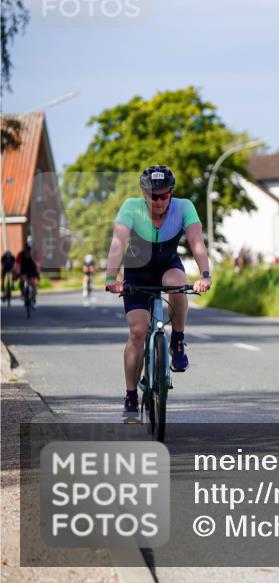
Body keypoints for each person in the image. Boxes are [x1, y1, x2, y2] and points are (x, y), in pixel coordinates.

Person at [104, 166, 212, 419]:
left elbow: (196, 242)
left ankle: (177, 340)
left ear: (171, 193)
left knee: (177, 283)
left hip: (167, 266)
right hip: (137, 273)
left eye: (165, 195)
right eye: (154, 196)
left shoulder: (184, 207)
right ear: (144, 194)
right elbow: (118, 244)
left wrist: (205, 274)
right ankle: (131, 394)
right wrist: (111, 277)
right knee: (138, 331)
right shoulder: (131, 207)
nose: (160, 201)